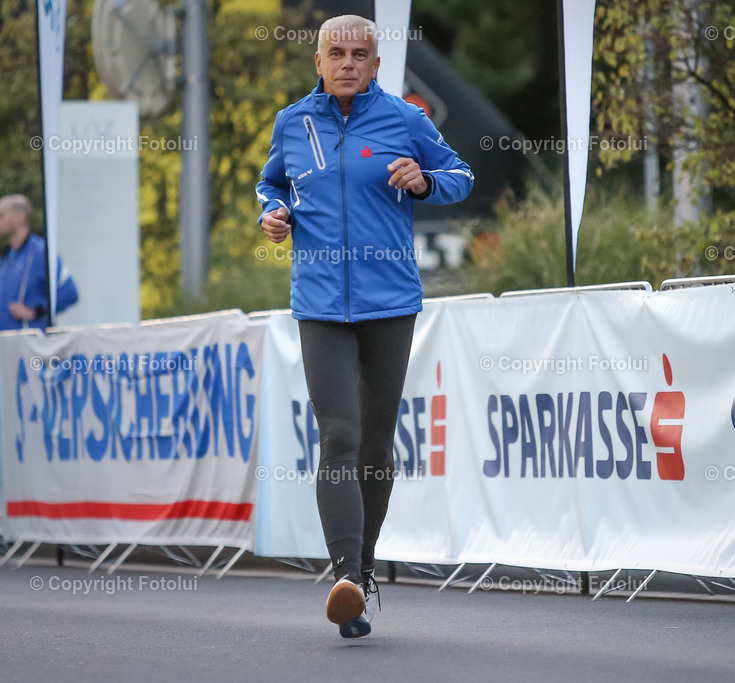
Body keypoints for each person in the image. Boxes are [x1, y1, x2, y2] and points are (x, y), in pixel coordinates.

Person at [255, 15, 472, 639]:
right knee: (339, 435)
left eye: (359, 55)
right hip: (320, 304)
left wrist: (425, 182)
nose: (347, 63)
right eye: (336, 53)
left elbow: (461, 176)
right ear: (319, 62)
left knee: (376, 445)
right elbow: (271, 184)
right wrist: (274, 212)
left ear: (376, 65)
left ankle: (364, 573)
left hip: (389, 304)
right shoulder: (293, 123)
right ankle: (345, 578)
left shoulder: (405, 119)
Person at [0, 194, 78, 331]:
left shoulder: (40, 251)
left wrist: (34, 312)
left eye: (1, 216)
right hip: (6, 341)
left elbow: (69, 292)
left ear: (20, 218)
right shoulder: (7, 257)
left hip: (30, 341)